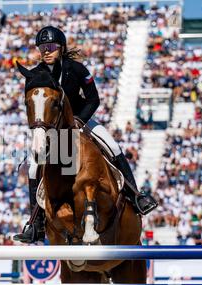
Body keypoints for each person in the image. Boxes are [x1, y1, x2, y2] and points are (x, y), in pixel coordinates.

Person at [14, 26, 158, 243]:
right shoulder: (36, 74)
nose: (46, 51)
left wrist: (80, 120)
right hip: (53, 129)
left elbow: (93, 99)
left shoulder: (77, 69)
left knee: (113, 146)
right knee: (34, 167)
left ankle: (136, 196)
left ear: (61, 47)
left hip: (81, 119)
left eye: (51, 47)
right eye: (43, 47)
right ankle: (36, 223)